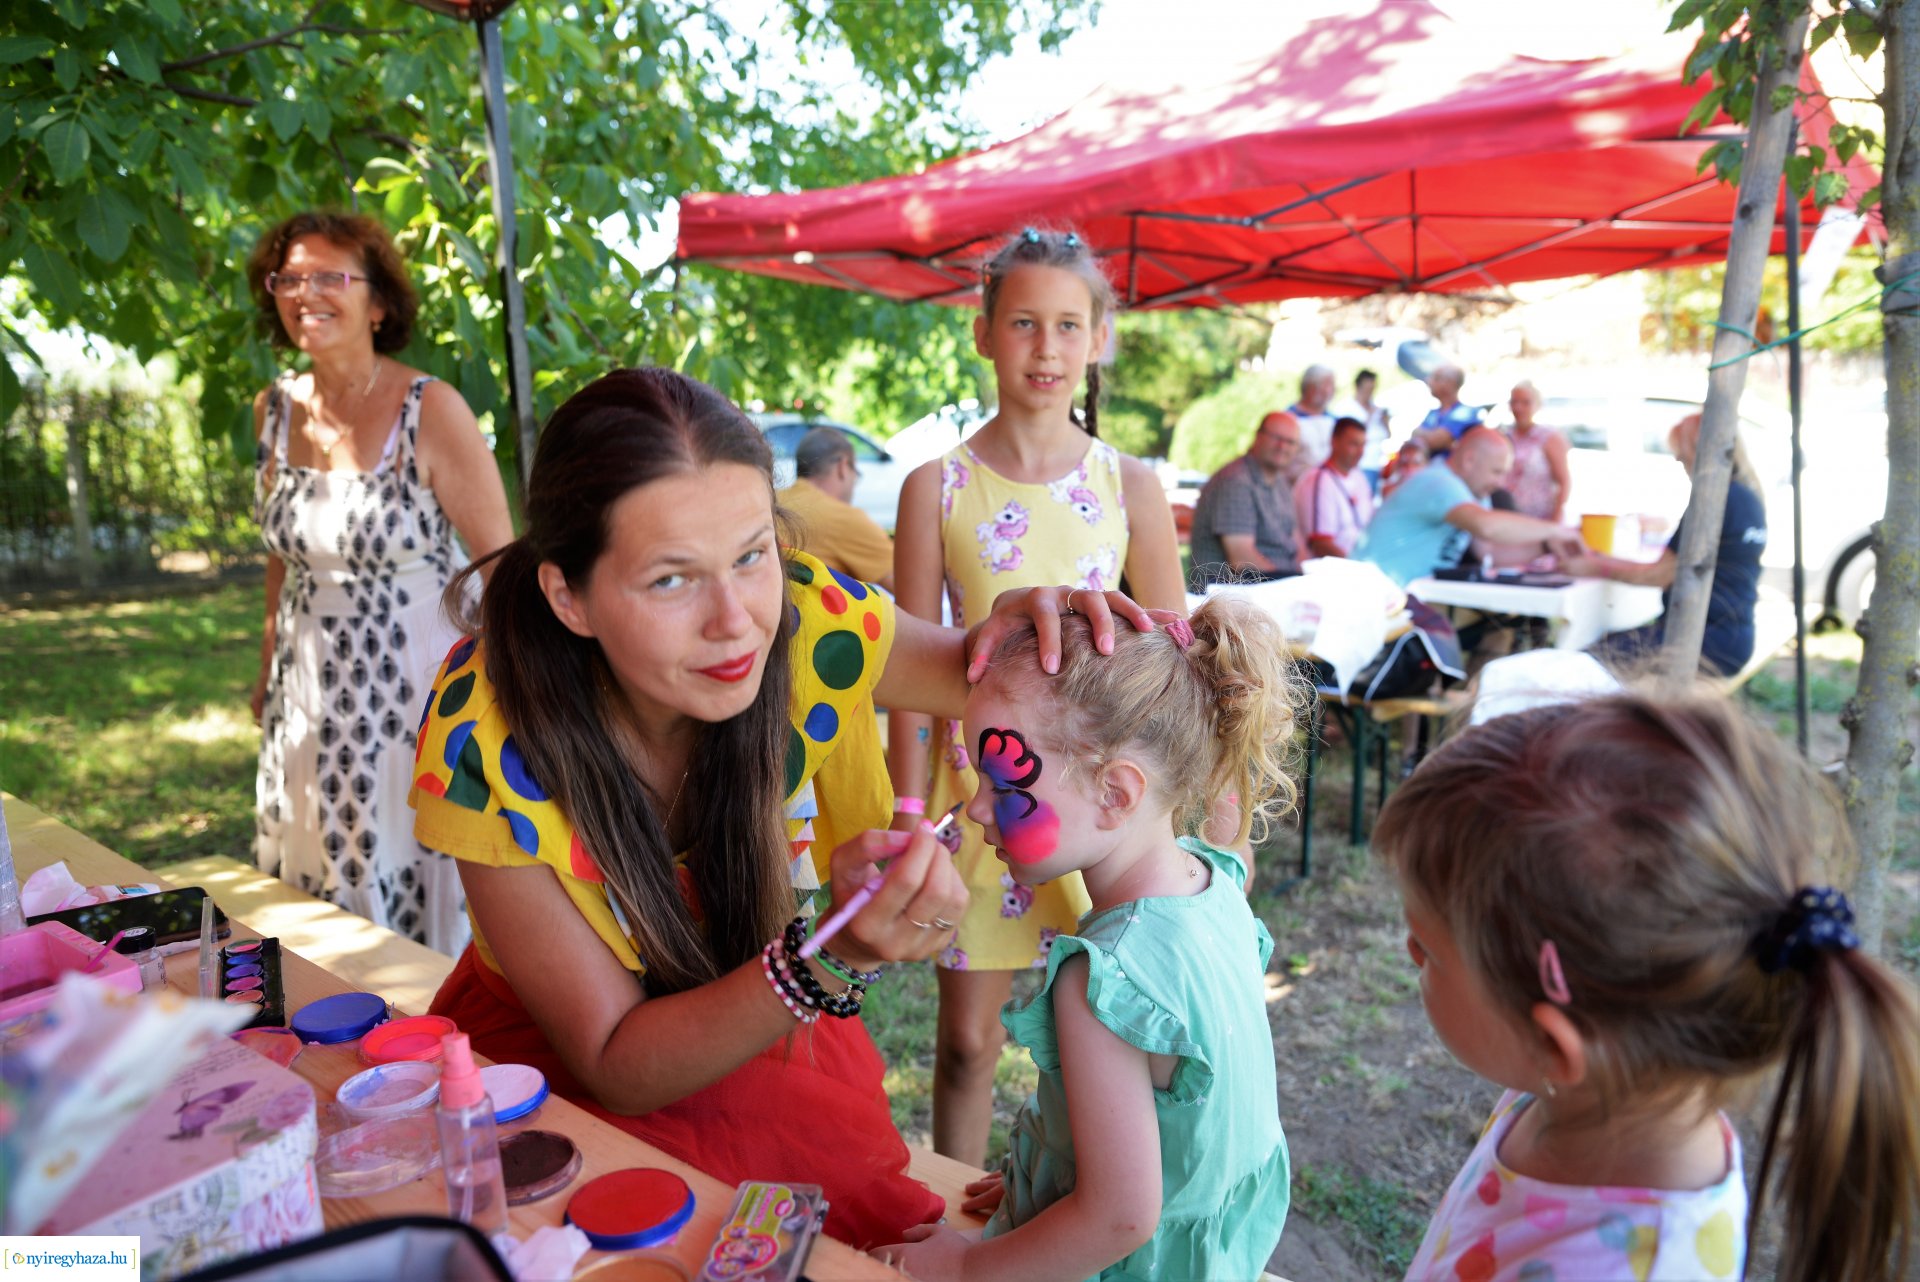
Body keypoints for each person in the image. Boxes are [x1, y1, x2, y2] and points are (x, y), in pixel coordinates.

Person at [411, 367, 1154, 1247]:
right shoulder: (484, 732)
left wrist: (1037, 631)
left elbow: (981, 668)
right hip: (561, 1066)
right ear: (567, 595)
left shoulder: (810, 618)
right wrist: (829, 959)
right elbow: (617, 1062)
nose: (737, 621)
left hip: (763, 1002)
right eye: (670, 581)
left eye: (751, 554)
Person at [1378, 690, 1920, 1282]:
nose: (1409, 952)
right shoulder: (1589, 1083)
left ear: (1556, 1045)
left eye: (1426, 947)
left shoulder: (1628, 1268)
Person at [889, 225, 1187, 1168]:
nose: (1046, 347)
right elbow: (901, 665)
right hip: (983, 798)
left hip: (1104, 799)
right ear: (983, 332)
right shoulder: (934, 487)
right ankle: (951, 1202)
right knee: (971, 1040)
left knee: (1109, 1033)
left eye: (1068, 325)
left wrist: (1202, 819)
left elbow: (1178, 661)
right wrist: (905, 808)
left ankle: (1081, 1209)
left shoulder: (1131, 486)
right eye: (1024, 322)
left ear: (1099, 338)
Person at [884, 602, 1296, 1281]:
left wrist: (967, 1268)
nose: (975, 809)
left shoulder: (1101, 982)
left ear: (1115, 793)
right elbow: (1164, 1128)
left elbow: (1119, 1217)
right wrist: (1047, 1181)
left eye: (1004, 783)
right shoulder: (1216, 882)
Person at [246, 210, 513, 953]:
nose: (306, 293)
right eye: (289, 278)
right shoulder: (274, 410)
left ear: (379, 302)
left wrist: (513, 693)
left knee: (403, 855)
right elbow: (284, 551)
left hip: (413, 691)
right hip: (306, 692)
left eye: (330, 275)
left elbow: (501, 560)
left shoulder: (433, 410)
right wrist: (268, 662)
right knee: (318, 862)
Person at [1566, 413, 1767, 677]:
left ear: (1698, 449)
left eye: (1680, 452)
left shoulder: (1717, 498)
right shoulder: (1746, 496)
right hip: (1731, 636)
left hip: (1702, 640)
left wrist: (1594, 565)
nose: (1677, 460)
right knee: (1604, 650)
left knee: (1584, 665)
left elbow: (1662, 574)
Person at [1357, 427, 1581, 587]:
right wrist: (1555, 529)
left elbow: (1489, 552)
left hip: (1400, 597)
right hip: (1370, 595)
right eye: (1497, 472)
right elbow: (1486, 526)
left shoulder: (1472, 492)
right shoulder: (1438, 482)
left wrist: (1547, 546)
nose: (1501, 483)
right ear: (1469, 460)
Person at [1187, 411, 1304, 587]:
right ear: (1258, 436)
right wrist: (1292, 585)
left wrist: (1308, 577)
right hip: (1227, 597)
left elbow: (1296, 543)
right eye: (1276, 438)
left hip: (1269, 587)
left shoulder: (1280, 482)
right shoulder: (1235, 482)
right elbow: (1242, 559)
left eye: (1290, 442)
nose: (1283, 446)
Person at [779, 426, 895, 590]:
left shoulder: (770, 501)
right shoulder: (844, 519)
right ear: (843, 466)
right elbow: (908, 585)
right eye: (856, 473)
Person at [1294, 416, 1374, 559]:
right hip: (1332, 572)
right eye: (1354, 444)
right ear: (1334, 442)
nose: (1361, 452)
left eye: (1363, 445)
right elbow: (1321, 544)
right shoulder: (1318, 481)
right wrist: (1358, 567)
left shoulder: (1359, 477)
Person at [1498, 380, 1570, 524]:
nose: (1518, 408)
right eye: (1514, 402)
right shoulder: (1504, 436)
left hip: (1540, 518)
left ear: (1537, 405)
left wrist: (1555, 521)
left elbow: (1564, 481)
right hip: (1508, 517)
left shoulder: (1548, 437)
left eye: (1525, 403)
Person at [1412, 364, 1483, 459]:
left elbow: (1433, 441)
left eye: (1436, 378)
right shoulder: (1433, 413)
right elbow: (1414, 438)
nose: (1428, 381)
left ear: (1450, 383)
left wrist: (1422, 434)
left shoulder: (1466, 413)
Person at [1286, 363, 1339, 479]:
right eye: (1328, 384)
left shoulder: (1333, 421)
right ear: (1312, 387)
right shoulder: (1289, 419)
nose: (1333, 390)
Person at [1343, 367, 1393, 488]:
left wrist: (1385, 421)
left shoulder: (1377, 409)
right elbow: (1351, 436)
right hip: (1360, 464)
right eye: (1367, 389)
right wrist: (1369, 416)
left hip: (1376, 463)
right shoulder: (1347, 408)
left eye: (1372, 389)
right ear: (1358, 387)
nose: (1369, 393)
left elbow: (1388, 435)